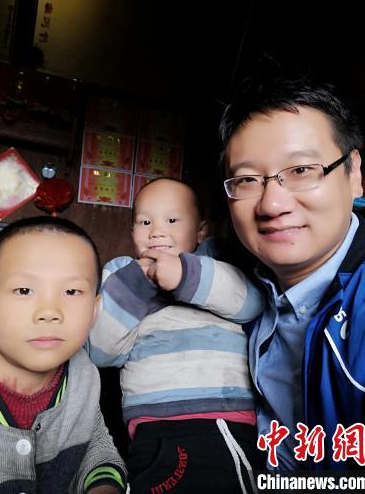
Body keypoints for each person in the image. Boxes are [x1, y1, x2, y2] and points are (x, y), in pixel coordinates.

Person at [214, 76, 365, 471]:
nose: (272, 204)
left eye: (302, 170)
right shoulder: (234, 274)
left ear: (354, 173)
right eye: (247, 179)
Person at [88, 177, 266, 494]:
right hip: (150, 425)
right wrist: (139, 281)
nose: (157, 231)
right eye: (145, 222)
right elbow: (101, 352)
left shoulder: (217, 261)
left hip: (221, 416)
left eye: (172, 220)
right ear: (132, 232)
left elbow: (251, 303)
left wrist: (185, 274)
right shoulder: (121, 274)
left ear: (200, 231)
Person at [0, 216, 127, 493]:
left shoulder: (84, 377)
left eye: (71, 291)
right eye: (24, 290)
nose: (49, 311)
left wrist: (104, 485)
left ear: (94, 310)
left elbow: (95, 445)